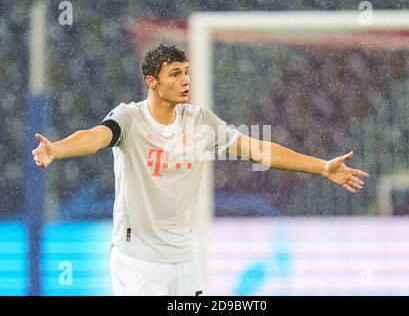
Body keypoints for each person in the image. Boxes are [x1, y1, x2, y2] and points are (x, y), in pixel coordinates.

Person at [32, 44, 369, 296]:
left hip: (184, 259)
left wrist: (321, 167)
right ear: (152, 81)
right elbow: (94, 137)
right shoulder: (129, 119)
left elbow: (258, 149)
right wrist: (56, 149)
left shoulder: (199, 121)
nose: (185, 80)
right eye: (175, 73)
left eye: (187, 72)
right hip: (138, 261)